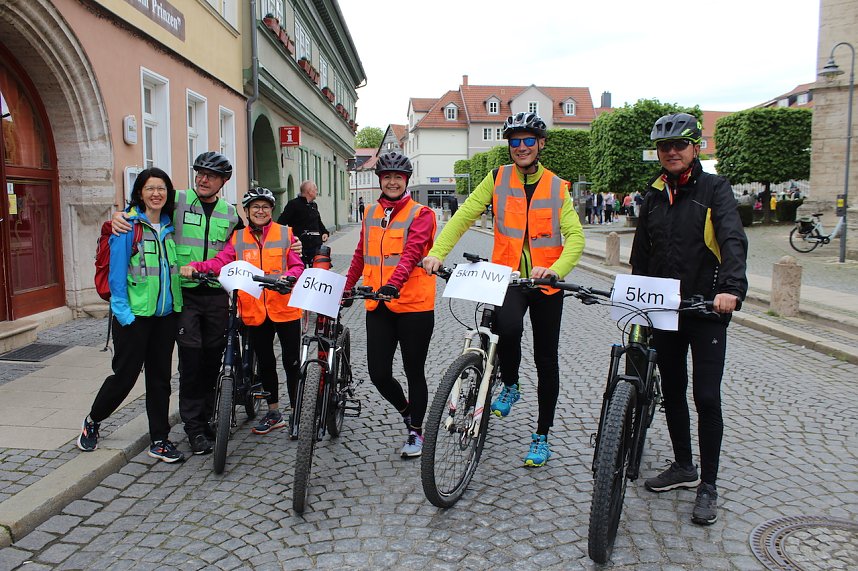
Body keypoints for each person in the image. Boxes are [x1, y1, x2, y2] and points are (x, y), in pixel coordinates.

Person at [422, 112, 585, 467]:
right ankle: (510, 384)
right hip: (508, 277)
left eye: (529, 140)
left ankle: (541, 435)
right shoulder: (497, 177)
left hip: (545, 284)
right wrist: (436, 253)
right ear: (509, 145)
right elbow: (464, 215)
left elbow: (575, 237)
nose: (522, 147)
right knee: (506, 328)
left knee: (546, 359)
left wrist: (555, 271)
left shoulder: (558, 187)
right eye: (515, 141)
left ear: (540, 144)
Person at [630, 113, 748, 526]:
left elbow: (732, 238)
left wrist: (731, 289)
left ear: (695, 148)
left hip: (706, 308)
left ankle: (709, 485)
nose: (672, 152)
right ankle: (684, 465)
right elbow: (641, 254)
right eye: (665, 147)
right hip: (665, 308)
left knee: (707, 396)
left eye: (680, 145)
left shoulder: (715, 189)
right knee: (674, 390)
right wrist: (635, 298)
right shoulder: (655, 195)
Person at [113, 151, 241, 456]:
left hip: (216, 297)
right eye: (199, 173)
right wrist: (120, 216)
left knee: (212, 361)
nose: (203, 179)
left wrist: (296, 243)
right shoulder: (179, 199)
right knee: (191, 363)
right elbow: (145, 209)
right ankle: (193, 427)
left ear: (223, 181)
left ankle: (210, 417)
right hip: (184, 296)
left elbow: (245, 244)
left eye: (210, 176)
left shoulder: (231, 213)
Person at [78, 168, 184, 463]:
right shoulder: (127, 226)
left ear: (168, 193)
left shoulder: (171, 226)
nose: (156, 194)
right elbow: (116, 275)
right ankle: (93, 420)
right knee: (124, 377)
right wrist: (123, 314)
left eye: (161, 188)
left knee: (161, 379)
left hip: (165, 317)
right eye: (150, 188)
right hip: (133, 318)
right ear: (140, 192)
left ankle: (160, 440)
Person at [181, 188, 304, 435]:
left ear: (272, 210)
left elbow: (297, 265)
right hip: (254, 310)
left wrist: (288, 277)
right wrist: (196, 267)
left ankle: (299, 414)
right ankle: (274, 412)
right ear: (246, 212)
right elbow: (220, 262)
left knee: (292, 362)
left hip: (284, 307)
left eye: (265, 206)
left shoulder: (285, 234)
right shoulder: (237, 239)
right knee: (267, 362)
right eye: (255, 207)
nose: (260, 211)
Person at [343, 151, 437, 458]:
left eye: (398, 177)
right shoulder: (371, 213)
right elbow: (360, 254)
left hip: (413, 305)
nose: (393, 182)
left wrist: (394, 284)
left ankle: (416, 432)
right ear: (380, 180)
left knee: (413, 370)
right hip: (378, 304)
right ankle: (407, 411)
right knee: (378, 373)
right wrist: (346, 287)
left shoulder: (421, 214)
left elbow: (412, 252)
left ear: (406, 180)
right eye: (387, 177)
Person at [278, 180, 329, 266]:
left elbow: (318, 221)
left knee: (318, 269)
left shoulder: (314, 205)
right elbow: (281, 223)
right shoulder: (293, 204)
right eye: (315, 189)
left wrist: (324, 232)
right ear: (310, 191)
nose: (317, 192)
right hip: (300, 246)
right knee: (300, 269)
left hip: (315, 245)